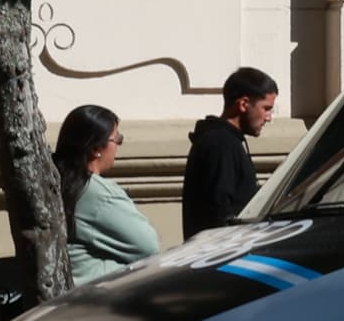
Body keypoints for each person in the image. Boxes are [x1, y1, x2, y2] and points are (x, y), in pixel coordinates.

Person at [57, 105, 158, 285]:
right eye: (117, 139)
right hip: (93, 294)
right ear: (96, 148)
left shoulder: (56, 180)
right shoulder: (98, 194)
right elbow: (149, 248)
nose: (118, 146)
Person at [181, 67, 277, 239]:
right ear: (243, 104)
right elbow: (218, 214)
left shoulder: (225, 141)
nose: (269, 118)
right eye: (266, 108)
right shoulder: (220, 144)